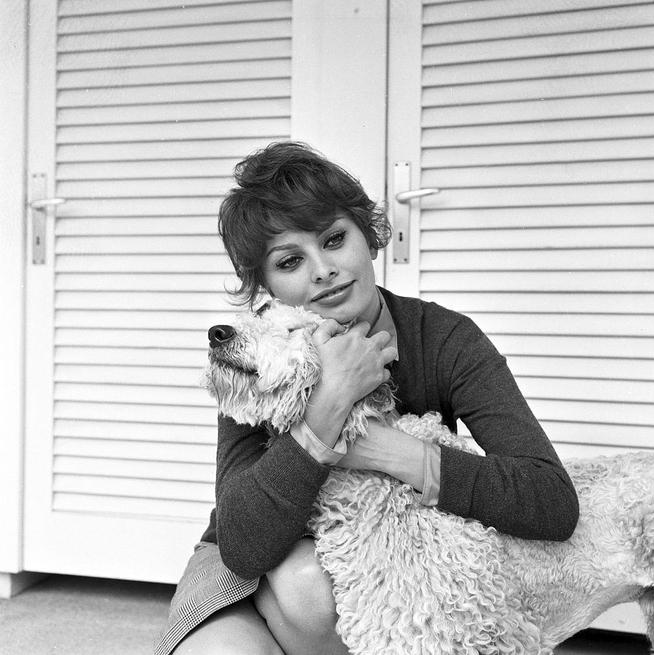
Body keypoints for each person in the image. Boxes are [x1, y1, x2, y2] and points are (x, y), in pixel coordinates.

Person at [156, 141, 579, 655]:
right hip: (260, 573)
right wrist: (328, 405)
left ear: (369, 238)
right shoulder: (257, 356)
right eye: (290, 261)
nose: (322, 271)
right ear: (265, 285)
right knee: (291, 589)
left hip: (395, 567)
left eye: (334, 239)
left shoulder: (444, 338)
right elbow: (243, 546)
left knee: (316, 586)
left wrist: (387, 451)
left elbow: (550, 500)